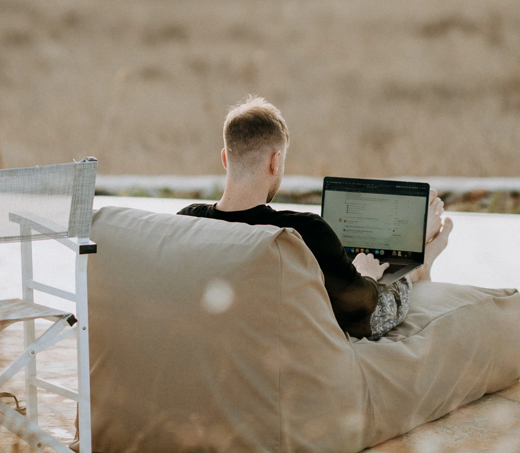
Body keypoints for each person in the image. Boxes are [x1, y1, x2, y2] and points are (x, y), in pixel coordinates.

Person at [178, 95, 453, 340]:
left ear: (225, 159)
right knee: (388, 289)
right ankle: (420, 261)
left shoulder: (187, 221)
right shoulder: (304, 231)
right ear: (275, 161)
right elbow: (362, 309)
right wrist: (366, 274)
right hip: (344, 313)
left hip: (228, 329)